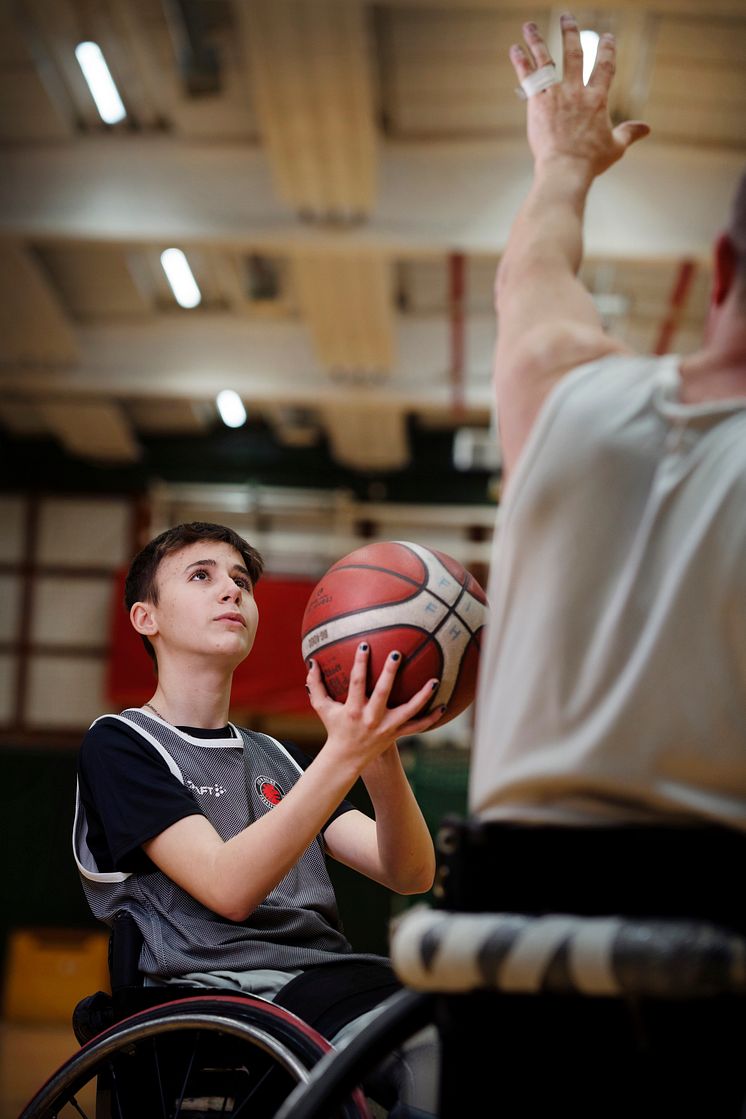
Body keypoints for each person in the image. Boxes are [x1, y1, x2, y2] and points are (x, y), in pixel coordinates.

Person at [438, 13, 746, 1116]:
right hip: (703, 905)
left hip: (506, 901)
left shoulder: (563, 390)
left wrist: (561, 160)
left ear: (719, 266)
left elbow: (531, 274)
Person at [74, 521, 441, 1117]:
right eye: (202, 576)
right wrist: (344, 750)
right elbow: (229, 889)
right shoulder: (121, 743)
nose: (231, 592)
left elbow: (408, 872)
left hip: (325, 975)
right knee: (432, 1052)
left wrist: (380, 753)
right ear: (147, 619)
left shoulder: (273, 757)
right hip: (219, 985)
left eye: (241, 581)